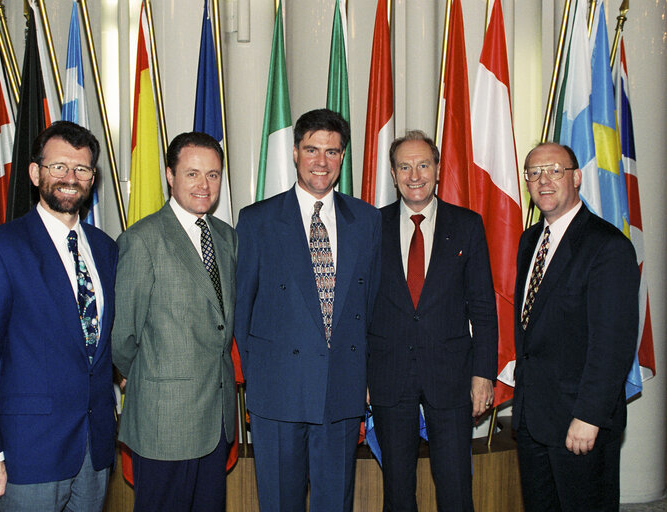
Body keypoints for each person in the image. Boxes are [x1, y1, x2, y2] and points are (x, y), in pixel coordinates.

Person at [0, 121, 118, 511]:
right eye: (58, 167)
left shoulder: (106, 249)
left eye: (81, 169)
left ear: (92, 178)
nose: (70, 178)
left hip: (94, 452)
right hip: (27, 453)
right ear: (35, 173)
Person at [235, 108, 382, 511]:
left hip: (341, 392)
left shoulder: (367, 221)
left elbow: (369, 311)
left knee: (335, 503)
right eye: (312, 150)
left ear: (342, 158)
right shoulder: (257, 221)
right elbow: (241, 313)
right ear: (296, 153)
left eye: (332, 152)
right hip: (277, 394)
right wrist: (262, 377)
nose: (322, 161)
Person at [366, 130, 498, 511]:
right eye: (404, 166)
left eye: (423, 164)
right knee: (397, 489)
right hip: (389, 378)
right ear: (392, 174)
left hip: (452, 378)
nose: (415, 175)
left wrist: (483, 374)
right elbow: (358, 308)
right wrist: (362, 376)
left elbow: (484, 309)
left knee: (456, 486)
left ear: (438, 169)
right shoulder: (372, 226)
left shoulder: (468, 225)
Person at [112, 132, 237, 512]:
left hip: (216, 419)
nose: (204, 185)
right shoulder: (143, 239)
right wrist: (147, 375)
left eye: (213, 175)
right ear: (170, 174)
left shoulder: (227, 237)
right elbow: (123, 336)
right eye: (193, 174)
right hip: (165, 418)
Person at [513, 142, 639, 511]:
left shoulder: (607, 246)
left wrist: (589, 416)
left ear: (577, 177)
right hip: (534, 420)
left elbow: (613, 344)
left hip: (580, 424)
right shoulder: (529, 240)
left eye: (554, 170)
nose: (544, 181)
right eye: (534, 173)